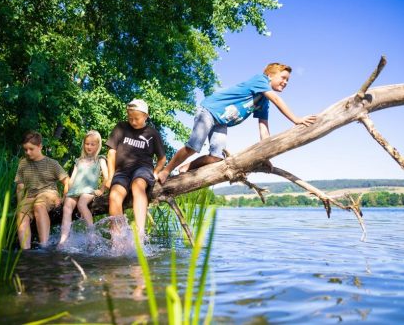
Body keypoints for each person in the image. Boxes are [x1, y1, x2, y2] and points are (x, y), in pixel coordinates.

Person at [158, 63, 317, 183]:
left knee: (215, 158)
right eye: (283, 78)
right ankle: (166, 171)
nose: (285, 82)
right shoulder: (260, 80)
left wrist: (267, 155)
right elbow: (276, 99)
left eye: (288, 80)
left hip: (221, 122)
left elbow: (263, 128)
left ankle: (186, 167)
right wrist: (296, 119)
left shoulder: (264, 102)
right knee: (194, 146)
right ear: (269, 75)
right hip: (209, 110)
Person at [105, 99, 166, 244]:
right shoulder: (121, 127)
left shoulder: (152, 133)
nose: (133, 121)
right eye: (130, 118)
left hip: (143, 169)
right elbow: (111, 153)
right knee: (114, 195)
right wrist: (110, 177)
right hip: (122, 171)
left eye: (136, 118)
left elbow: (162, 159)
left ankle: (139, 234)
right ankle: (118, 239)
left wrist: (156, 172)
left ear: (146, 116)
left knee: (137, 186)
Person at [15, 131, 69, 249]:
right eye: (25, 149)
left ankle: (44, 246)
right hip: (30, 196)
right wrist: (20, 204)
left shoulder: (52, 163)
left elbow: (67, 182)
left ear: (40, 147)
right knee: (21, 214)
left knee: (39, 205)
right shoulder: (23, 163)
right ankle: (25, 250)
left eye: (31, 149)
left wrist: (64, 200)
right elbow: (20, 186)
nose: (28, 152)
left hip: (48, 194)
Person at [58, 130, 108, 246]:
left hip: (89, 190)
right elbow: (71, 180)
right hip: (75, 190)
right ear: (84, 144)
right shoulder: (79, 160)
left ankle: (92, 234)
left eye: (92, 144)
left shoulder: (100, 159)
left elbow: (106, 177)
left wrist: (101, 190)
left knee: (81, 204)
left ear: (97, 145)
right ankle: (63, 239)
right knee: (66, 207)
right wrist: (64, 195)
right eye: (87, 144)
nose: (89, 146)